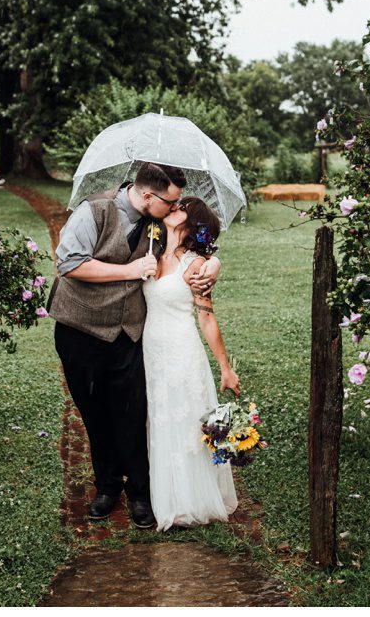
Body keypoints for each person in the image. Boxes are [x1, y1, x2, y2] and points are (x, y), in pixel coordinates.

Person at [48, 163, 221, 529]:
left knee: (131, 412)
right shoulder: (92, 211)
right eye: (171, 202)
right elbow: (69, 263)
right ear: (147, 196)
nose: (176, 208)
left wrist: (213, 264)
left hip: (129, 333)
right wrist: (128, 271)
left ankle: (140, 494)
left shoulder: (160, 225)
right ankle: (107, 487)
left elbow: (195, 249)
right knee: (94, 413)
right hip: (80, 329)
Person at [142, 196, 239, 531]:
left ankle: (188, 502)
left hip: (182, 352)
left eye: (181, 208)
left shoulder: (196, 266)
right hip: (151, 352)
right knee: (160, 420)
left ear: (191, 224)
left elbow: (207, 318)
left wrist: (225, 368)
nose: (172, 207)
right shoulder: (151, 249)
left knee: (183, 423)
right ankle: (165, 495)